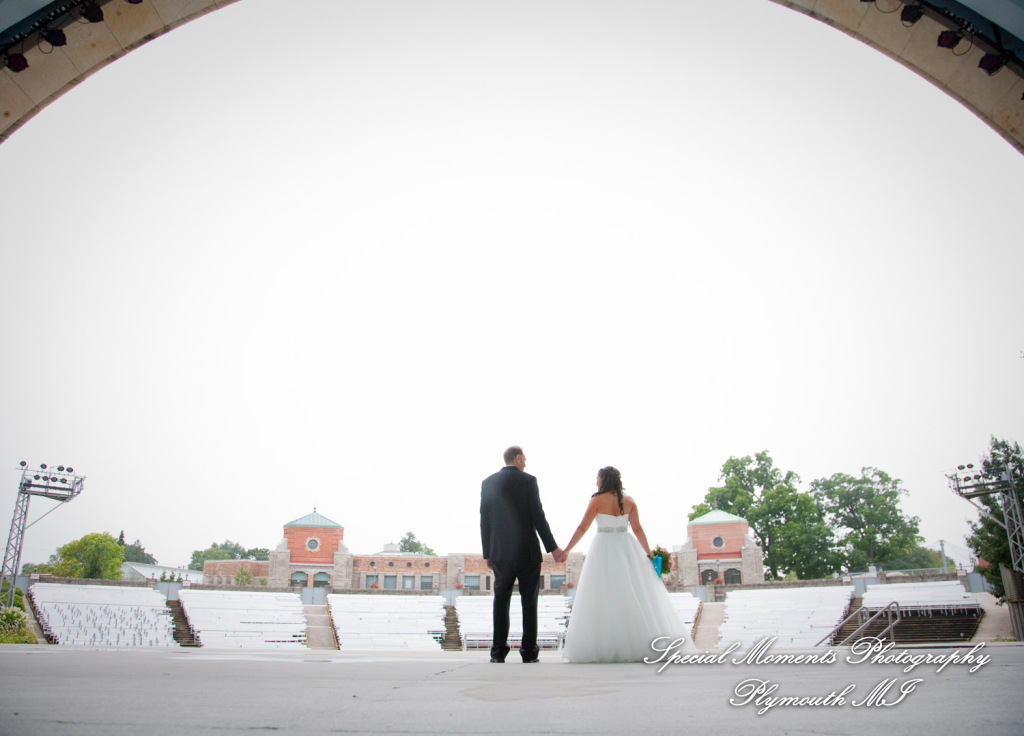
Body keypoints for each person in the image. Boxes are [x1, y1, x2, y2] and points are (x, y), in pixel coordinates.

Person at [561, 466, 697, 663]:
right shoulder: (630, 501)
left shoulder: (597, 500)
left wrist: (566, 550)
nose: (595, 482)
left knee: (603, 593)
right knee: (633, 592)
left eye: (597, 479)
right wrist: (649, 554)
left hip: (604, 547)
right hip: (627, 547)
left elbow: (583, 527)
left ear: (603, 480)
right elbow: (638, 529)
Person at [480, 446, 566, 663]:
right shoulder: (528, 481)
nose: (525, 463)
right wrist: (553, 548)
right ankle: (529, 652)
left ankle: (498, 652)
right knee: (529, 602)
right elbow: (538, 515)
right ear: (517, 458)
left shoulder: (488, 482)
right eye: (524, 459)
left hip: (500, 552)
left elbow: (485, 520)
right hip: (527, 552)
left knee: (501, 601)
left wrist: (487, 552)